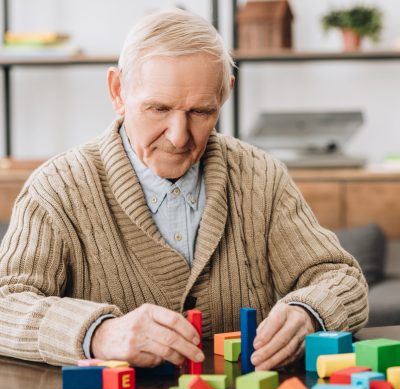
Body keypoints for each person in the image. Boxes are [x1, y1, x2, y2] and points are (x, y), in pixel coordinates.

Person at [0, 9, 368, 369]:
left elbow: (342, 279)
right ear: (117, 91)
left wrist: (309, 312)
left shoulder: (261, 177)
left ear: (225, 95)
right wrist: (99, 333)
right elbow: (6, 305)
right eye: (159, 109)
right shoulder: (56, 189)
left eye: (201, 112)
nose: (178, 137)